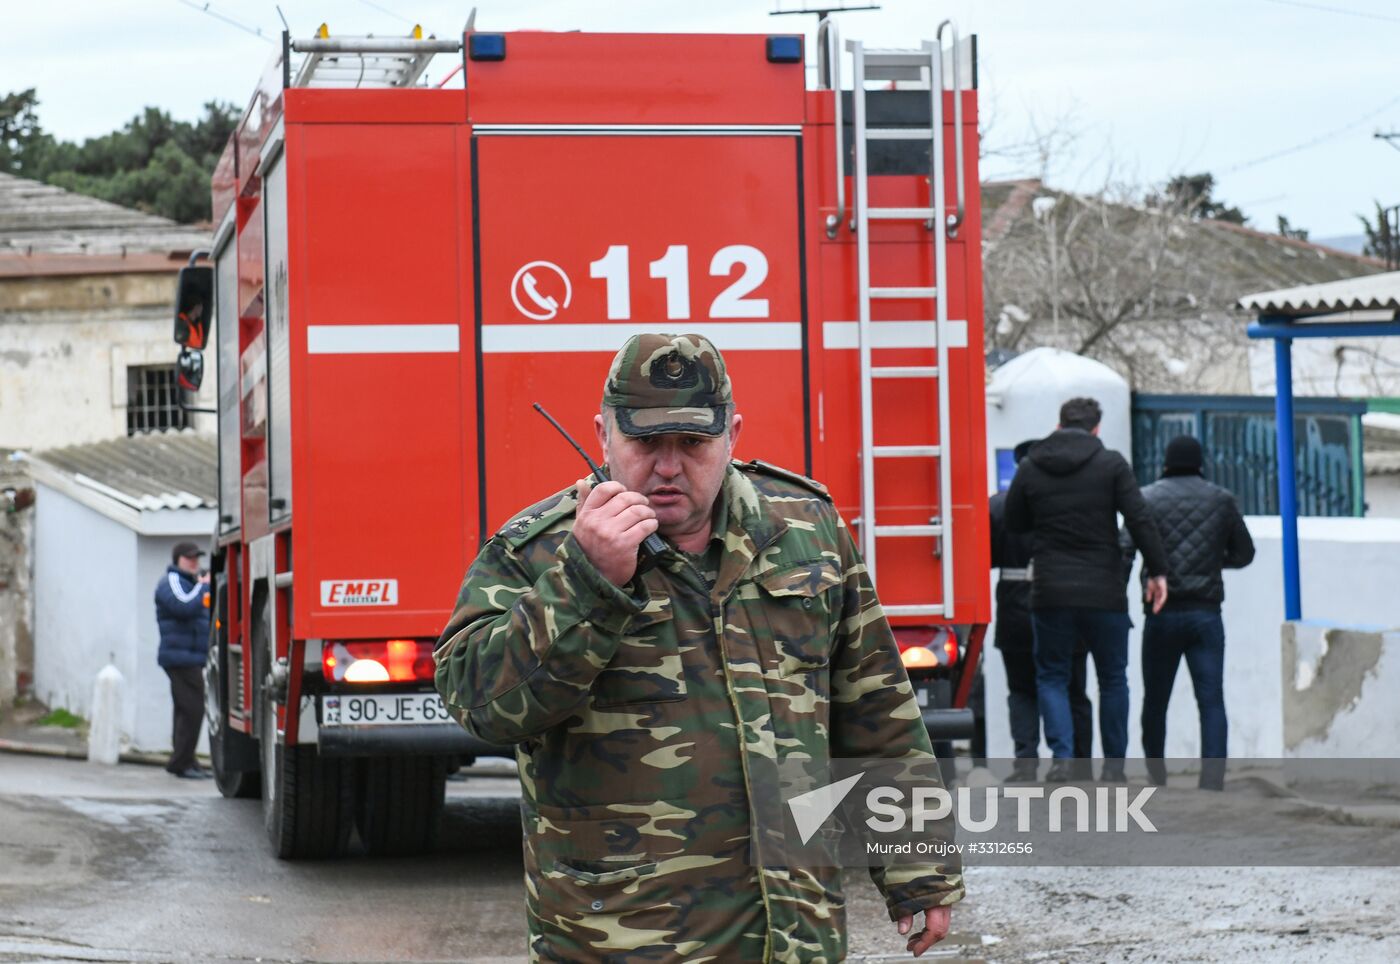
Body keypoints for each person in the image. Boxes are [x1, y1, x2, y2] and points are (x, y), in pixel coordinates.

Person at [435, 333, 962, 962]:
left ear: (732, 436)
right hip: (629, 941)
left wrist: (918, 871)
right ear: (602, 435)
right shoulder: (539, 554)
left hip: (793, 936)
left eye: (693, 443)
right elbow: (480, 705)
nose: (667, 466)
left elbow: (878, 716)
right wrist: (587, 582)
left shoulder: (805, 529)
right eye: (645, 442)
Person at [1004, 397, 1170, 783]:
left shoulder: (1031, 466)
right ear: (1096, 427)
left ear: (1059, 425)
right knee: (1113, 677)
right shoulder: (1111, 464)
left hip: (1051, 590)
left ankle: (1062, 760)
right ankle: (1114, 767)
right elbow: (1139, 518)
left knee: (1052, 676)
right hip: (1104, 590)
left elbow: (1014, 520)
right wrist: (1157, 571)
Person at [1122, 435, 1255, 791]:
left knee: (1155, 699)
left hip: (1161, 614)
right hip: (1205, 614)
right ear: (1200, 463)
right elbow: (1245, 554)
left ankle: (1156, 775)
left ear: (1165, 463)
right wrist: (1213, 564)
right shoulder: (1221, 500)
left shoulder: (1146, 499)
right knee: (1211, 699)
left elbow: (1124, 550)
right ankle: (1211, 782)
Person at [990, 439, 1095, 782]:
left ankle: (1025, 763)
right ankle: (1073, 762)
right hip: (1067, 603)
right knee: (1069, 686)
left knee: (1021, 689)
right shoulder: (1069, 504)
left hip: (1014, 609)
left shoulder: (999, 506)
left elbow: (983, 558)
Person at [155, 541, 212, 779]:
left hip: (189, 656)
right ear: (178, 559)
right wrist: (203, 588)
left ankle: (183, 759)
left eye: (196, 558)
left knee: (185, 710)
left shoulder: (188, 583)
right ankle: (182, 763)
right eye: (189, 558)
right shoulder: (173, 582)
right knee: (193, 709)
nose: (194, 562)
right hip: (180, 657)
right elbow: (184, 606)